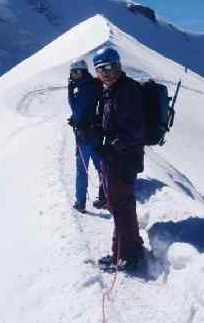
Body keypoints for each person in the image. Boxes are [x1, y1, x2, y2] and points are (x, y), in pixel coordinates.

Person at [93, 47, 146, 270]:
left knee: (120, 206)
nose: (104, 73)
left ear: (118, 66)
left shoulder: (126, 91)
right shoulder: (113, 90)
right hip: (119, 158)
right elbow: (114, 124)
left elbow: (133, 131)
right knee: (122, 205)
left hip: (123, 160)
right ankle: (131, 246)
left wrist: (110, 148)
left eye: (108, 67)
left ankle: (123, 256)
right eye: (99, 69)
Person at [67, 59, 104, 213]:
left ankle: (104, 197)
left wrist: (93, 122)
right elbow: (79, 108)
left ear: (84, 71)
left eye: (77, 71)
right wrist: (75, 120)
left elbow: (101, 106)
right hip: (82, 136)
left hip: (92, 135)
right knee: (86, 169)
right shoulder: (75, 87)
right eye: (73, 72)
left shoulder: (93, 85)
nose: (75, 74)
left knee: (100, 168)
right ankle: (81, 201)